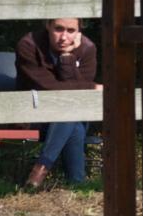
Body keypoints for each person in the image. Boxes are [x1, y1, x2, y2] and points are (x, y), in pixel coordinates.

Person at [15, 17, 102, 188]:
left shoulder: (87, 48)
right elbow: (50, 88)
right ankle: (77, 184)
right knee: (71, 118)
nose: (64, 37)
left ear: (79, 31)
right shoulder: (29, 45)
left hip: (69, 116)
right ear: (48, 25)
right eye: (59, 29)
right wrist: (92, 87)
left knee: (70, 114)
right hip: (33, 115)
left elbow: (78, 97)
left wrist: (68, 56)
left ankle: (40, 171)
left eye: (71, 31)